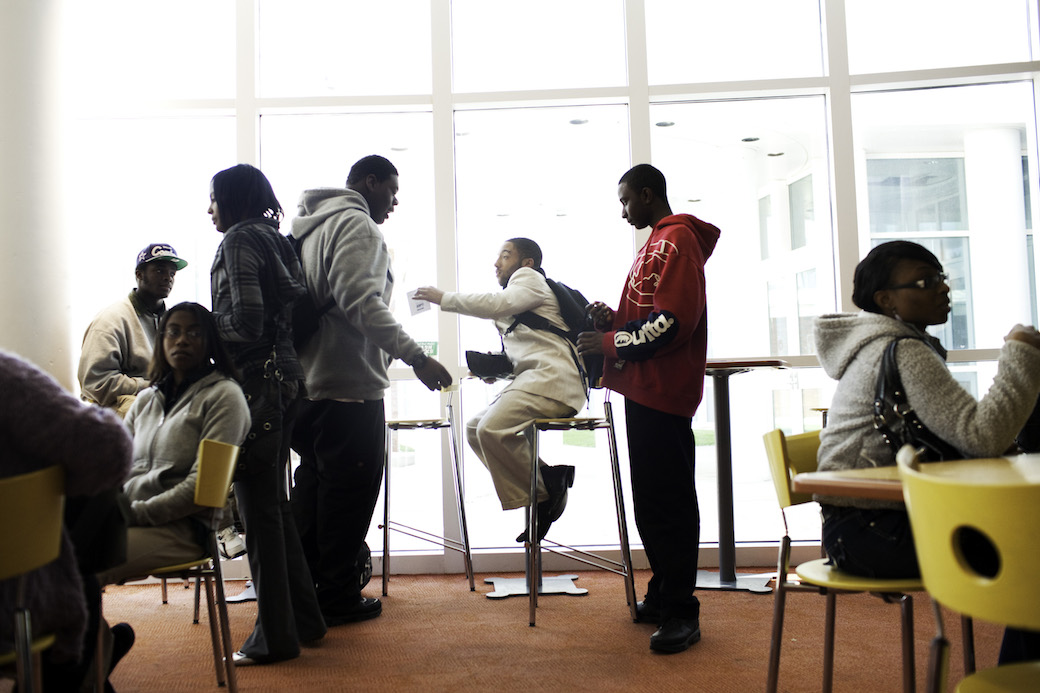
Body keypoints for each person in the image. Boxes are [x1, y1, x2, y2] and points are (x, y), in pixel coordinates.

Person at [813, 240, 1040, 665]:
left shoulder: (890, 345)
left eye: (942, 278)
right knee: (1030, 553)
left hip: (860, 528)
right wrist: (1022, 352)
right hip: (874, 532)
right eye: (926, 280)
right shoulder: (903, 350)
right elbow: (982, 436)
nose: (943, 289)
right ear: (887, 300)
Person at [289, 154, 453, 626]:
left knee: (314, 490)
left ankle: (306, 590)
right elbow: (360, 303)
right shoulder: (358, 228)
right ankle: (336, 595)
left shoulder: (309, 228)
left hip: (310, 385)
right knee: (347, 496)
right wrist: (416, 356)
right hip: (349, 386)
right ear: (369, 182)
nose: (394, 204)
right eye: (391, 192)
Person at [577, 163, 719, 655]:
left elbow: (672, 323)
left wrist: (609, 340)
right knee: (654, 501)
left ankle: (682, 610)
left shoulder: (675, 240)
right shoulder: (657, 242)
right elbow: (649, 317)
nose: (622, 213)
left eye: (625, 202)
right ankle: (664, 593)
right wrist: (613, 320)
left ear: (646, 193)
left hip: (662, 390)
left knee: (668, 503)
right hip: (646, 389)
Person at [208, 163, 327, 664]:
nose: (208, 208)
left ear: (232, 199)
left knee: (258, 509)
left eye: (213, 198)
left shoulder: (238, 239)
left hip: (258, 385)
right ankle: (304, 619)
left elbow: (248, 319)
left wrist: (208, 329)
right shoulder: (276, 238)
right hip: (286, 379)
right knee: (273, 507)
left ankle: (275, 637)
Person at [414, 238, 586, 542]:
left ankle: (546, 492)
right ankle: (549, 481)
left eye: (505, 257)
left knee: (490, 429)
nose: (497, 263)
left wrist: (445, 298)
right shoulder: (521, 299)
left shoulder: (530, 279)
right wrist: (498, 369)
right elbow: (534, 344)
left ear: (527, 263)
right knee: (474, 427)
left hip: (553, 382)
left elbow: (496, 303)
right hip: (536, 381)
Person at [0, 350, 133, 692]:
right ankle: (90, 670)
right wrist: (50, 492)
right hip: (14, 607)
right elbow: (110, 450)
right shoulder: (8, 380)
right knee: (78, 577)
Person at [98, 303, 250, 585]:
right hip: (130, 519)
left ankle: (93, 631)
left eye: (194, 332)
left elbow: (202, 490)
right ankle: (95, 631)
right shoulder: (145, 400)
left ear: (210, 342)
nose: (182, 339)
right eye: (174, 332)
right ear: (162, 341)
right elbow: (116, 469)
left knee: (78, 562)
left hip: (183, 530)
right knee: (49, 551)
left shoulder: (225, 397)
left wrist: (132, 515)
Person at [78, 243, 188, 417]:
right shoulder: (111, 320)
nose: (168, 278)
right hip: (124, 412)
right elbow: (96, 384)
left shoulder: (171, 321)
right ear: (139, 274)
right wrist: (152, 385)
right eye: (159, 271)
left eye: (172, 273)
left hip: (159, 403)